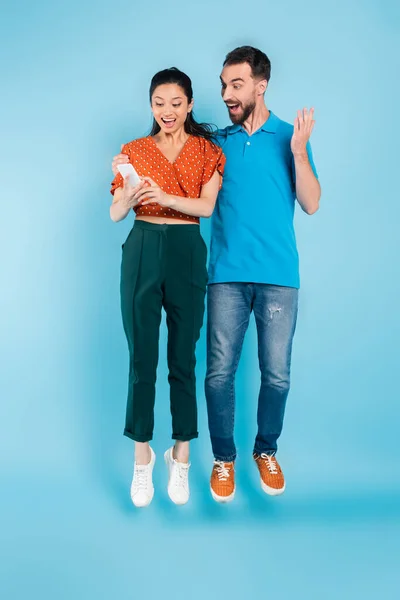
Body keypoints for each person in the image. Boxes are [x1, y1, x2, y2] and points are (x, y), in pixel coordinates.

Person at [112, 46, 321, 504]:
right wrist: (129, 186)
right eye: (223, 84)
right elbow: (149, 191)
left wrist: (301, 152)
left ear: (260, 85)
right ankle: (221, 460)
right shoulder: (217, 144)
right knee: (217, 374)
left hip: (278, 274)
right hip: (224, 273)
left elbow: (311, 202)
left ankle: (265, 451)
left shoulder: (288, 138)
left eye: (236, 84)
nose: (226, 93)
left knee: (277, 375)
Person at [109, 67, 225, 508]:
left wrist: (165, 196)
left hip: (185, 248)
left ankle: (182, 454)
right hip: (141, 243)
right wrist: (129, 197)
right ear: (151, 105)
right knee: (141, 355)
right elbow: (115, 214)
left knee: (182, 357)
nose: (167, 111)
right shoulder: (133, 151)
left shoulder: (208, 151)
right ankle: (142, 459)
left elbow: (207, 207)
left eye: (176, 103)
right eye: (159, 103)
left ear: (190, 104)